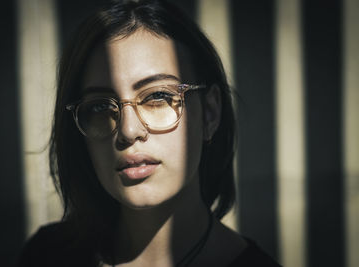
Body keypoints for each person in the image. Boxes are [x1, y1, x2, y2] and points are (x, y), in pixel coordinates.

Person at [19, 0, 281, 266]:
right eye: (99, 106)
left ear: (209, 113)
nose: (128, 130)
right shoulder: (46, 255)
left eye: (157, 96)